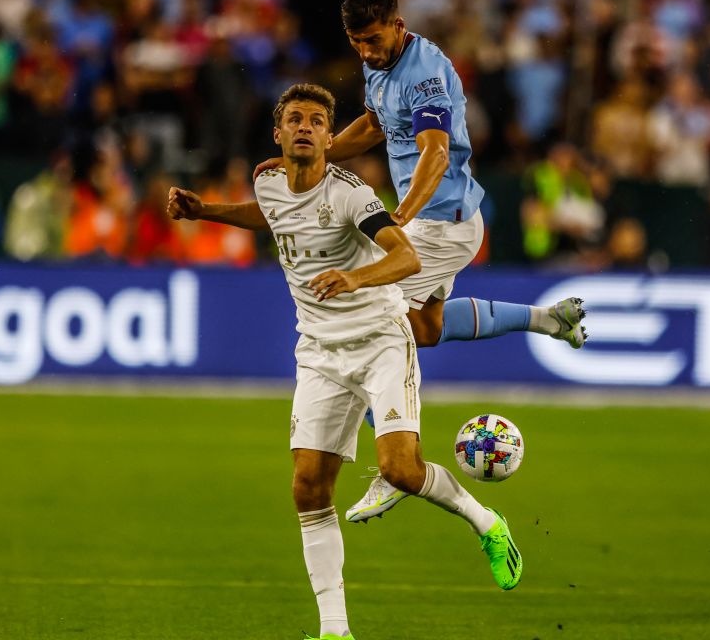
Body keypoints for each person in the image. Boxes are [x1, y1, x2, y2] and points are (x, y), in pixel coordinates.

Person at [167, 84, 523, 640]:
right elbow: (271, 215)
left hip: (381, 338)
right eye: (295, 119)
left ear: (331, 138)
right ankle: (335, 631)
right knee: (308, 488)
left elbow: (405, 256)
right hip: (318, 352)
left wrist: (353, 277)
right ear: (278, 133)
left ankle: (489, 524)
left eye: (316, 120)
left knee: (399, 470)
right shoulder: (267, 181)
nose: (305, 127)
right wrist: (205, 211)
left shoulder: (353, 194)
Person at [258, 0, 587, 525]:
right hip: (444, 222)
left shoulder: (425, 74)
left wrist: (401, 216)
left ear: (398, 27)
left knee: (373, 323)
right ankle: (549, 320)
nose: (365, 51)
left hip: (438, 223)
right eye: (356, 42)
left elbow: (434, 151)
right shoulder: (379, 64)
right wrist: (316, 153)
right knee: (425, 328)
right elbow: (375, 124)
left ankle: (396, 469)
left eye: (373, 40)